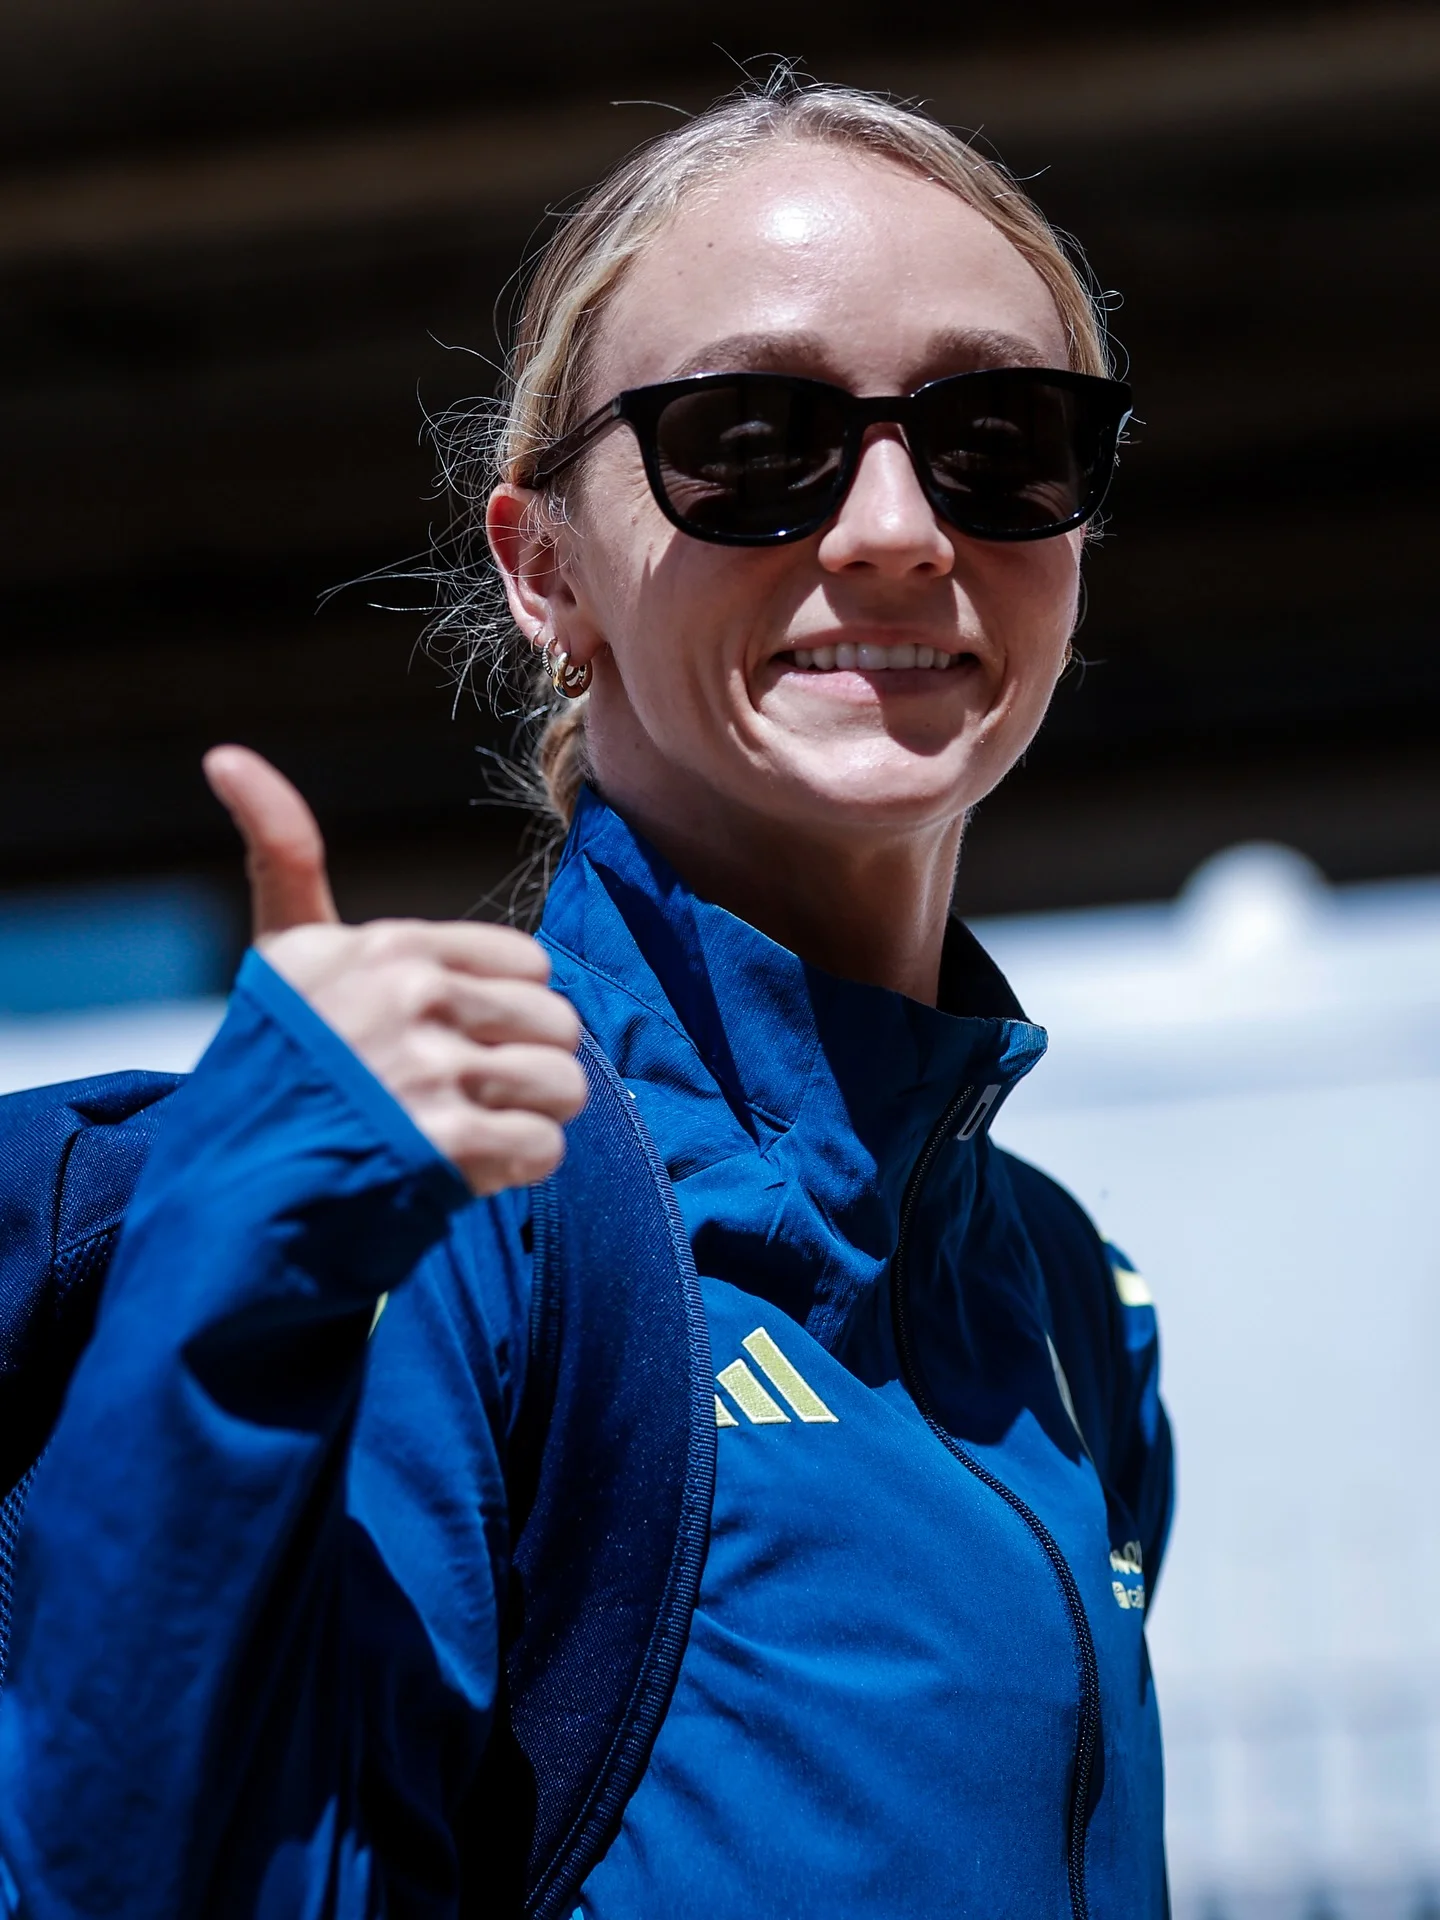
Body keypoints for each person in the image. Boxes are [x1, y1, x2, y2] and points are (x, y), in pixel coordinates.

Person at [0, 79, 1172, 1918]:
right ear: (547, 572)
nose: (890, 529)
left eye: (1001, 438)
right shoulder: (447, 1214)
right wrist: (245, 1280)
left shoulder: (1067, 1303)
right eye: (753, 437)